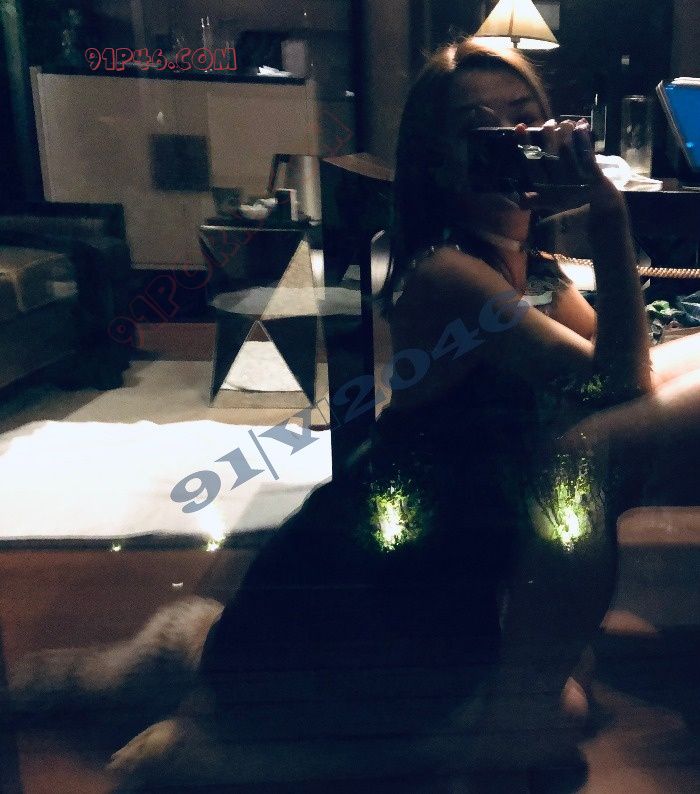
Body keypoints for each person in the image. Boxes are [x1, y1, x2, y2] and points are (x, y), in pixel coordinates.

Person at [37, 36, 697, 791]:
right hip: (386, 574)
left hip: (442, 560)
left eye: (526, 118)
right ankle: (211, 750)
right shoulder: (449, 273)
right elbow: (620, 379)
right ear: (438, 160)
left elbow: (627, 370)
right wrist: (609, 219)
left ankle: (190, 680)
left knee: (565, 698)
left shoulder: (532, 267)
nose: (514, 140)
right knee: (557, 720)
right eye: (481, 129)